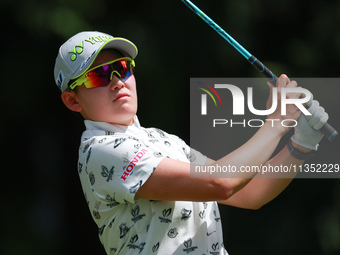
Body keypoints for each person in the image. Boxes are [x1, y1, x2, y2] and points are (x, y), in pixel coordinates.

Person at [54, 31, 328, 255]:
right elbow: (220, 183)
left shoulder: (162, 140)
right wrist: (277, 123)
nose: (117, 82)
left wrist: (301, 145)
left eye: (123, 68)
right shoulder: (100, 150)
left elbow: (248, 192)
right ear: (73, 100)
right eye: (98, 76)